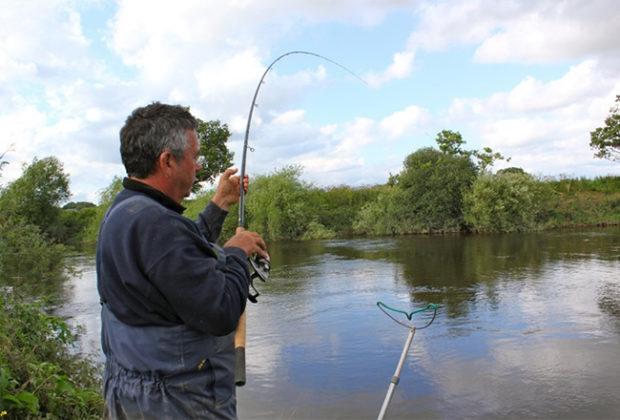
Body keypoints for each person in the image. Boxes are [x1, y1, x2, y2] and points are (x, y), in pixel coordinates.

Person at [97, 102, 268, 419]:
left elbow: (177, 259)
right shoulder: (157, 225)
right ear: (167, 161)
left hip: (134, 392)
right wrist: (236, 252)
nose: (198, 166)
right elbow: (220, 313)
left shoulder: (126, 211)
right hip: (174, 402)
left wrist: (220, 204)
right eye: (194, 156)